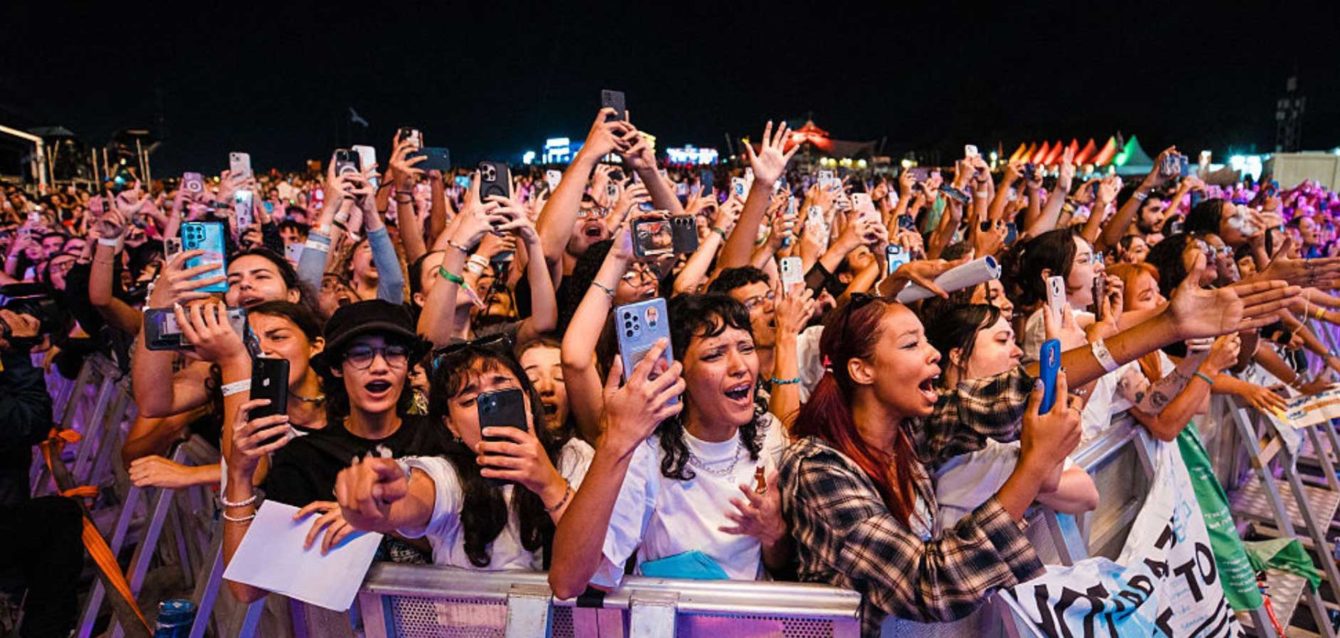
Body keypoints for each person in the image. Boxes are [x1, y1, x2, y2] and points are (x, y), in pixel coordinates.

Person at [549, 294, 789, 599]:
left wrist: (775, 533)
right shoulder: (646, 454)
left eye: (746, 348)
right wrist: (614, 443)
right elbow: (568, 581)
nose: (740, 366)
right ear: (677, 373)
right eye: (714, 354)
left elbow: (780, 564)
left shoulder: (770, 436)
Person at [220, 300, 450, 602]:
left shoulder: (439, 440)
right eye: (361, 354)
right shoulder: (306, 457)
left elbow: (475, 549)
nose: (379, 366)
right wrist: (239, 475)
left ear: (408, 366)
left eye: (394, 352)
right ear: (335, 368)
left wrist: (383, 521)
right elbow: (246, 589)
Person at [329, 342, 592, 569]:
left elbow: (597, 560)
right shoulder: (450, 474)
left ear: (527, 397)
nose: (488, 401)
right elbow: (418, 494)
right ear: (450, 424)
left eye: (501, 388)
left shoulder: (573, 457)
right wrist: (385, 499)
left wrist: (548, 483)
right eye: (469, 401)